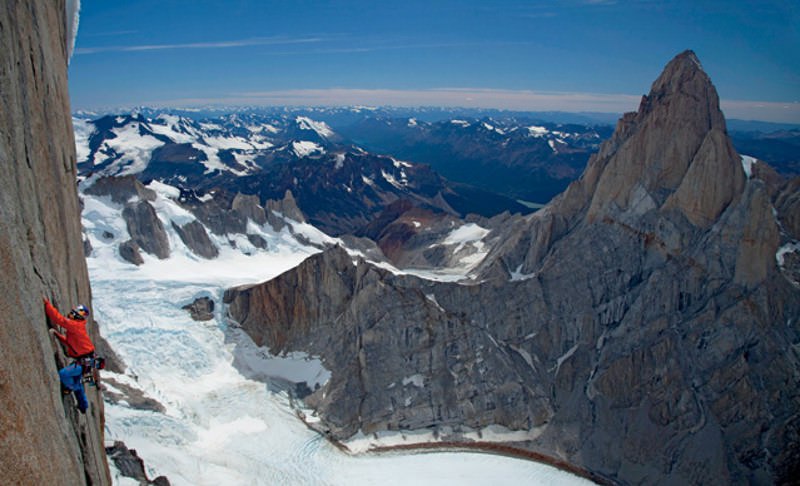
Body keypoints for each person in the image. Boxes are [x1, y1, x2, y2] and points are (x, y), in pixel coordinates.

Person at [44, 297, 101, 412]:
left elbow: (59, 320)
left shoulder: (75, 325)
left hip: (84, 361)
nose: (72, 313)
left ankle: (71, 388)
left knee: (64, 374)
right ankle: (83, 406)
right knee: (76, 380)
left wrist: (46, 304)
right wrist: (58, 335)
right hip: (86, 360)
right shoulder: (77, 326)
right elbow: (70, 343)